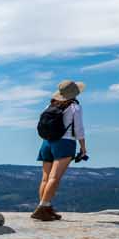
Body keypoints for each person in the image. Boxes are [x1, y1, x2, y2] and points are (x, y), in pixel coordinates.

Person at [33, 80, 87, 221]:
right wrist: (83, 148)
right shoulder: (75, 107)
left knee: (45, 178)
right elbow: (79, 129)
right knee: (54, 178)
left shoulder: (50, 105)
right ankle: (42, 208)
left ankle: (46, 208)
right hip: (65, 143)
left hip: (46, 143)